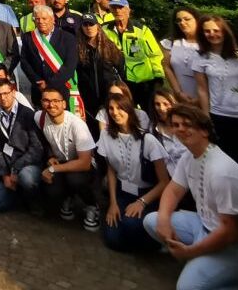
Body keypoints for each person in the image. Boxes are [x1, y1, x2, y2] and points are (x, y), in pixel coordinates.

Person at [143, 104, 238, 290]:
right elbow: (173, 190)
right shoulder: (190, 156)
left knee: (187, 287)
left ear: (204, 131)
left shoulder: (222, 172)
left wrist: (190, 252)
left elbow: (230, 233)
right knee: (153, 220)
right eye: (176, 125)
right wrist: (164, 218)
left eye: (187, 124)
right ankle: (207, 268)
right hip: (206, 227)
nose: (180, 129)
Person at [98, 93, 170, 252]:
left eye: (120, 108)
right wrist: (113, 203)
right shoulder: (106, 135)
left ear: (129, 110)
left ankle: (158, 242)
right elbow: (111, 171)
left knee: (130, 225)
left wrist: (141, 202)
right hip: (122, 193)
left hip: (147, 195)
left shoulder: (148, 139)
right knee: (112, 240)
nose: (115, 112)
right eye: (111, 108)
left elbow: (164, 182)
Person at [193, 15, 238, 162]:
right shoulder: (200, 58)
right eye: (207, 31)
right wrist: (206, 116)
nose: (212, 34)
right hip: (221, 117)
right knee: (232, 160)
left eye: (216, 30)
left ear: (225, 32)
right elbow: (202, 90)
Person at [34, 85, 100, 231]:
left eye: (56, 101)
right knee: (52, 191)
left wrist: (52, 168)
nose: (51, 105)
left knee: (74, 180)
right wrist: (49, 155)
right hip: (61, 163)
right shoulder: (40, 117)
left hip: (84, 166)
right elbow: (40, 138)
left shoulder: (77, 125)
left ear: (64, 103)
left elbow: (85, 163)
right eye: (46, 100)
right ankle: (68, 197)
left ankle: (92, 205)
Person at [0, 78, 44, 213]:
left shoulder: (28, 114)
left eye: (6, 93)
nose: (3, 98)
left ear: (13, 92)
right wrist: (5, 173)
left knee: (27, 179)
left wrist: (15, 169)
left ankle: (32, 199)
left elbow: (36, 148)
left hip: (26, 164)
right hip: (5, 164)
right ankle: (16, 194)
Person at [102, 0, 164, 113]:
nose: (117, 11)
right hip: (121, 81)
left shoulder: (141, 30)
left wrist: (158, 78)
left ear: (128, 10)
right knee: (128, 113)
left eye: (120, 7)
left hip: (145, 81)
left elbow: (155, 55)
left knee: (150, 113)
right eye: (114, 8)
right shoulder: (104, 29)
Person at [76, 13, 124, 138]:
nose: (88, 27)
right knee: (94, 133)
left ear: (97, 26)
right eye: (85, 25)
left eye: (91, 24)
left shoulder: (109, 46)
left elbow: (121, 70)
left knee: (114, 130)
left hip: (109, 96)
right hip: (88, 99)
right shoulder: (77, 48)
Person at [19, 5, 78, 104]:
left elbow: (70, 65)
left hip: (61, 88)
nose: (41, 21)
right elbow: (24, 62)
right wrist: (37, 81)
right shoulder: (28, 37)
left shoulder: (67, 38)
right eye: (37, 19)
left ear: (52, 19)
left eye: (44, 18)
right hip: (39, 90)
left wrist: (49, 84)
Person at [161, 7, 203, 103]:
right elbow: (167, 67)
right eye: (179, 20)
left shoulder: (206, 43)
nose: (182, 23)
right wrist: (178, 92)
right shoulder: (171, 43)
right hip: (181, 97)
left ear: (197, 19)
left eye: (187, 19)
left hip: (206, 99)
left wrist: (199, 98)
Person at [150, 89, 189, 174]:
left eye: (166, 104)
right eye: (157, 104)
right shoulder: (153, 130)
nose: (161, 108)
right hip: (174, 179)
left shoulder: (187, 125)